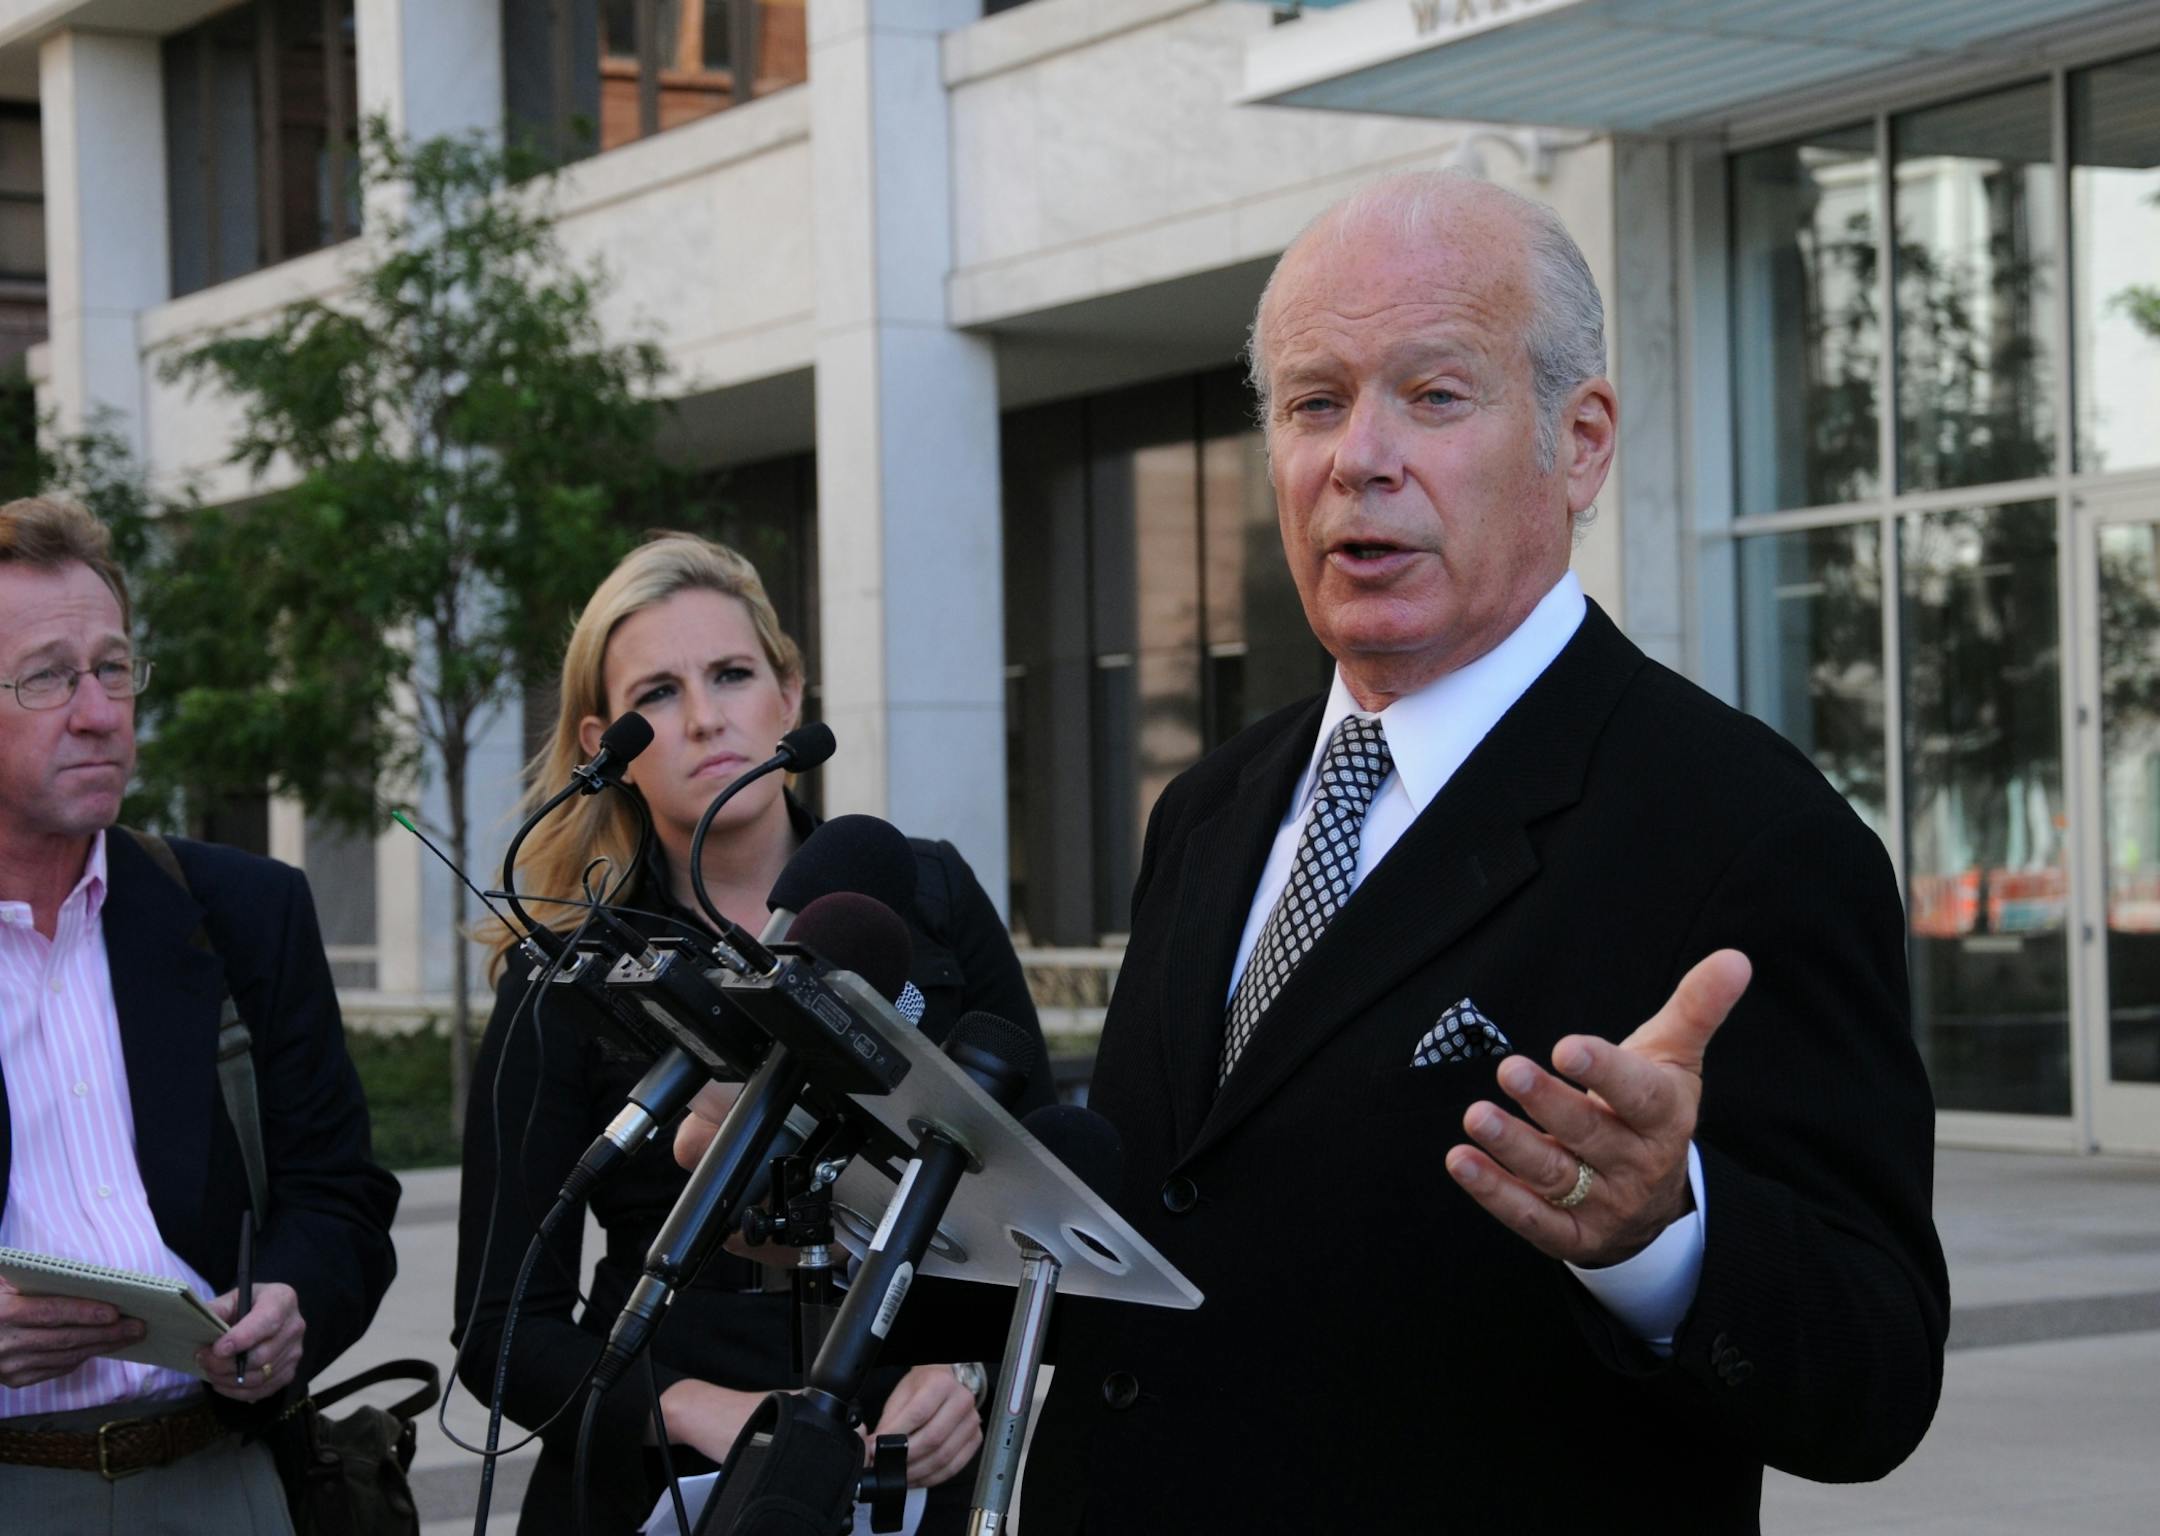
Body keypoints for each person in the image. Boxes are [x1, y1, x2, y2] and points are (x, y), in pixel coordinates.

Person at [914, 172, 1945, 1531]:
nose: (1360, 456)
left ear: (1580, 444)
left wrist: (1664, 1235)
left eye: (1435, 395)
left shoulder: (1748, 834)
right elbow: (1162, 1235)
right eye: (1315, 402)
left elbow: (1874, 1376)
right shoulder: (1208, 806)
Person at [453, 532, 1055, 1536]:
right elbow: (500, 1329)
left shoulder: (932, 894)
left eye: (732, 674)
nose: (705, 717)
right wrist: (696, 1411)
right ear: (608, 748)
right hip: (655, 1483)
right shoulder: (568, 966)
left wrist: (969, 1372)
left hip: (900, 1466)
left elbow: (1046, 1204)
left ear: (789, 693)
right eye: (658, 694)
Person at [0, 496, 400, 1533]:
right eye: (48, 677)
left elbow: (342, 1201)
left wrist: (291, 1305)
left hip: (222, 1477)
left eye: (114, 669)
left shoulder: (244, 913)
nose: (99, 712)